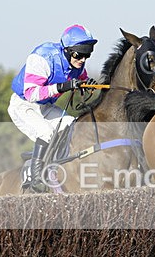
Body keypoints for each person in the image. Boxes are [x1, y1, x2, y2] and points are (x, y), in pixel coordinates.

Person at [8, 24, 98, 192]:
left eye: (87, 55)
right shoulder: (42, 57)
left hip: (45, 106)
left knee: (73, 125)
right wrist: (61, 87)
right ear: (66, 50)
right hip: (23, 105)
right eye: (79, 55)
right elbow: (31, 94)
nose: (83, 60)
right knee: (46, 134)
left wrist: (87, 85)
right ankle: (35, 178)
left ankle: (62, 168)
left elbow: (80, 79)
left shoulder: (77, 62)